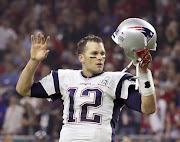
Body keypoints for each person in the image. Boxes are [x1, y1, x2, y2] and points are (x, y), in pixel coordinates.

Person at [16, 32, 156, 142]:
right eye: (94, 54)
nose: (100, 57)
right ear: (81, 57)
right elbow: (23, 89)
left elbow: (148, 108)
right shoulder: (64, 77)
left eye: (102, 54)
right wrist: (34, 61)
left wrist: (144, 73)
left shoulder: (115, 80)